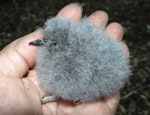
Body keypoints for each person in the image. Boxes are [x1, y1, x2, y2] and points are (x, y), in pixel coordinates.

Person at [0, 3, 128, 115]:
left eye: (52, 43)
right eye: (45, 38)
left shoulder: (62, 65)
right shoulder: (71, 41)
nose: (43, 43)